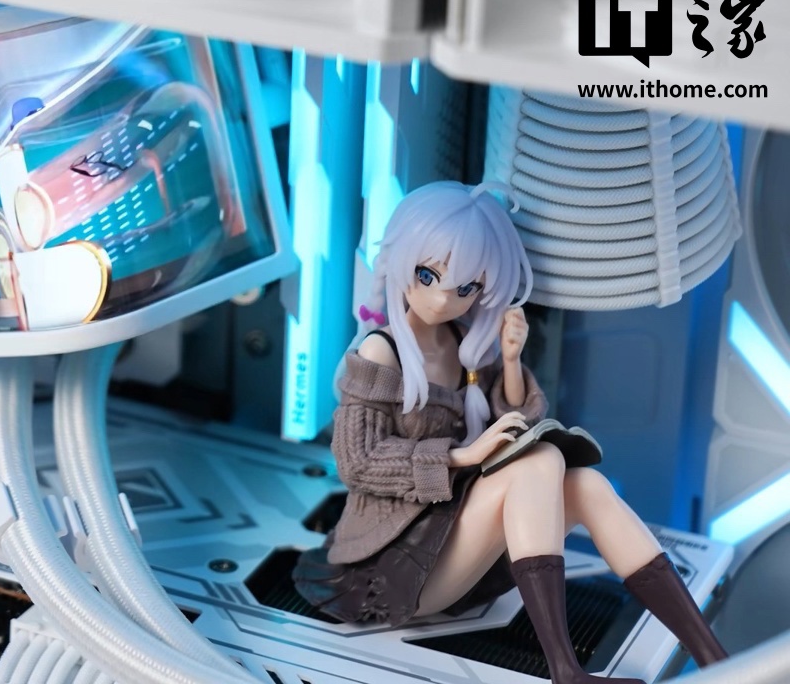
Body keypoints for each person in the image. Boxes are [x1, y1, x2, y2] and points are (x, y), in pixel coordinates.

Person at [293, 181, 727, 684]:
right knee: (541, 463)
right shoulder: (380, 351)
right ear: (402, 258)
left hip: (451, 540)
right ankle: (565, 670)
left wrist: (513, 360)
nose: (442, 298)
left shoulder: (465, 345)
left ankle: (716, 659)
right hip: (395, 564)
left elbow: (515, 418)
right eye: (427, 275)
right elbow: (358, 461)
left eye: (466, 288)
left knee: (586, 484)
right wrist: (460, 456)